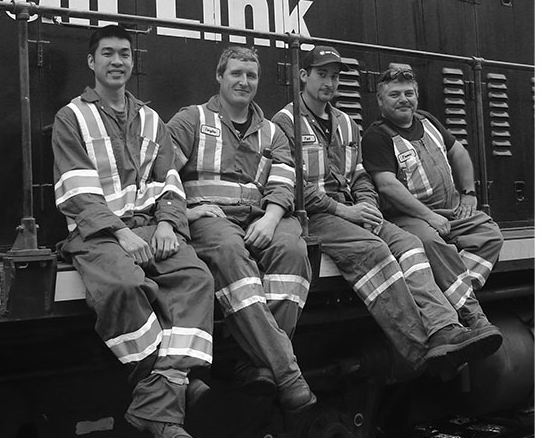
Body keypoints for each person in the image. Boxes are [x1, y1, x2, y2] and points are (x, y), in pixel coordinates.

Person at [272, 46, 501, 375]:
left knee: (409, 244)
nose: (330, 82)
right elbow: (293, 184)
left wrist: (365, 203)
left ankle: (444, 329)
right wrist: (344, 210)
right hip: (316, 215)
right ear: (303, 75)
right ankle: (420, 350)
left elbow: (361, 175)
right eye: (322, 74)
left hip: (353, 211)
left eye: (335, 76)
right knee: (376, 250)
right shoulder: (284, 122)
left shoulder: (347, 124)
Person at [52, 25, 215, 438]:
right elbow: (79, 193)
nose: (117, 61)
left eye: (124, 53)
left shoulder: (150, 119)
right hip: (98, 234)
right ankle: (168, 392)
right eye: (107, 53)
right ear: (92, 62)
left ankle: (159, 397)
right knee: (125, 287)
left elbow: (171, 184)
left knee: (196, 277)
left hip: (149, 227)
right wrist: (120, 233)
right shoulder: (73, 117)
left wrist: (168, 226)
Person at [166, 46, 316, 413]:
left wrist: (270, 219)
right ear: (219, 77)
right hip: (211, 221)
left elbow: (283, 183)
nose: (243, 82)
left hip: (260, 217)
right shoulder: (190, 120)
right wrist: (189, 208)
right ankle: (286, 372)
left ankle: (255, 363)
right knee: (232, 254)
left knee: (293, 252)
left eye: (250, 76)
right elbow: (161, 171)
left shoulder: (272, 133)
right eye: (235, 74)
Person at [361, 66, 502, 339]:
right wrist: (429, 216)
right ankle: (474, 314)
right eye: (395, 95)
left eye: (409, 93)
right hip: (408, 217)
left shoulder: (427, 121)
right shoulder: (377, 136)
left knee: (489, 234)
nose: (404, 99)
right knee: (431, 243)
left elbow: (458, 151)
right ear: (380, 101)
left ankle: (444, 294)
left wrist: (469, 193)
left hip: (449, 211)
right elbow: (387, 185)